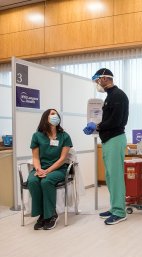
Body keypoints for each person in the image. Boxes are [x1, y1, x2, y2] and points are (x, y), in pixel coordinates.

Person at [83, 68, 129, 225]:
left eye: (98, 80)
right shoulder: (110, 96)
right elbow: (110, 120)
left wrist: (97, 126)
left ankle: (119, 211)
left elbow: (117, 121)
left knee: (115, 177)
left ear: (105, 79)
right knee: (110, 177)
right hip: (109, 140)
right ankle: (115, 207)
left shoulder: (118, 96)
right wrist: (97, 127)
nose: (97, 83)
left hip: (115, 139)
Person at [27, 109, 72, 230]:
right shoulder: (37, 136)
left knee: (47, 181)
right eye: (52, 114)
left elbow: (62, 159)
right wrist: (38, 169)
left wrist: (48, 171)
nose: (55, 116)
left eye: (56, 114)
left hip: (58, 169)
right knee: (32, 181)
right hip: (40, 168)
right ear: (45, 118)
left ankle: (51, 215)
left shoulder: (64, 136)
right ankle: (42, 214)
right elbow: (35, 157)